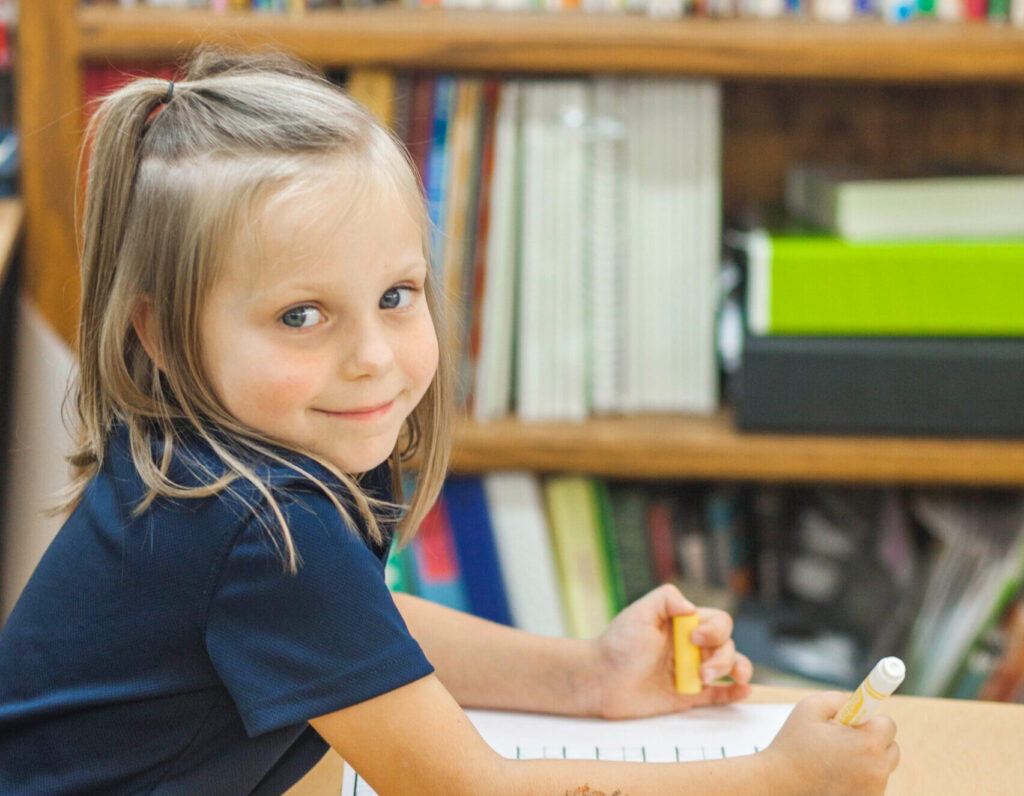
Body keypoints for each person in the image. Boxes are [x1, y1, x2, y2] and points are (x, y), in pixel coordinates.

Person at [0, 50, 898, 795]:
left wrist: (582, 676)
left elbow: (357, 629)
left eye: (396, 295)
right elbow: (469, 790)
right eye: (300, 315)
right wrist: (781, 778)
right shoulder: (255, 523)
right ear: (160, 332)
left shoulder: (225, 456)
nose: (372, 358)